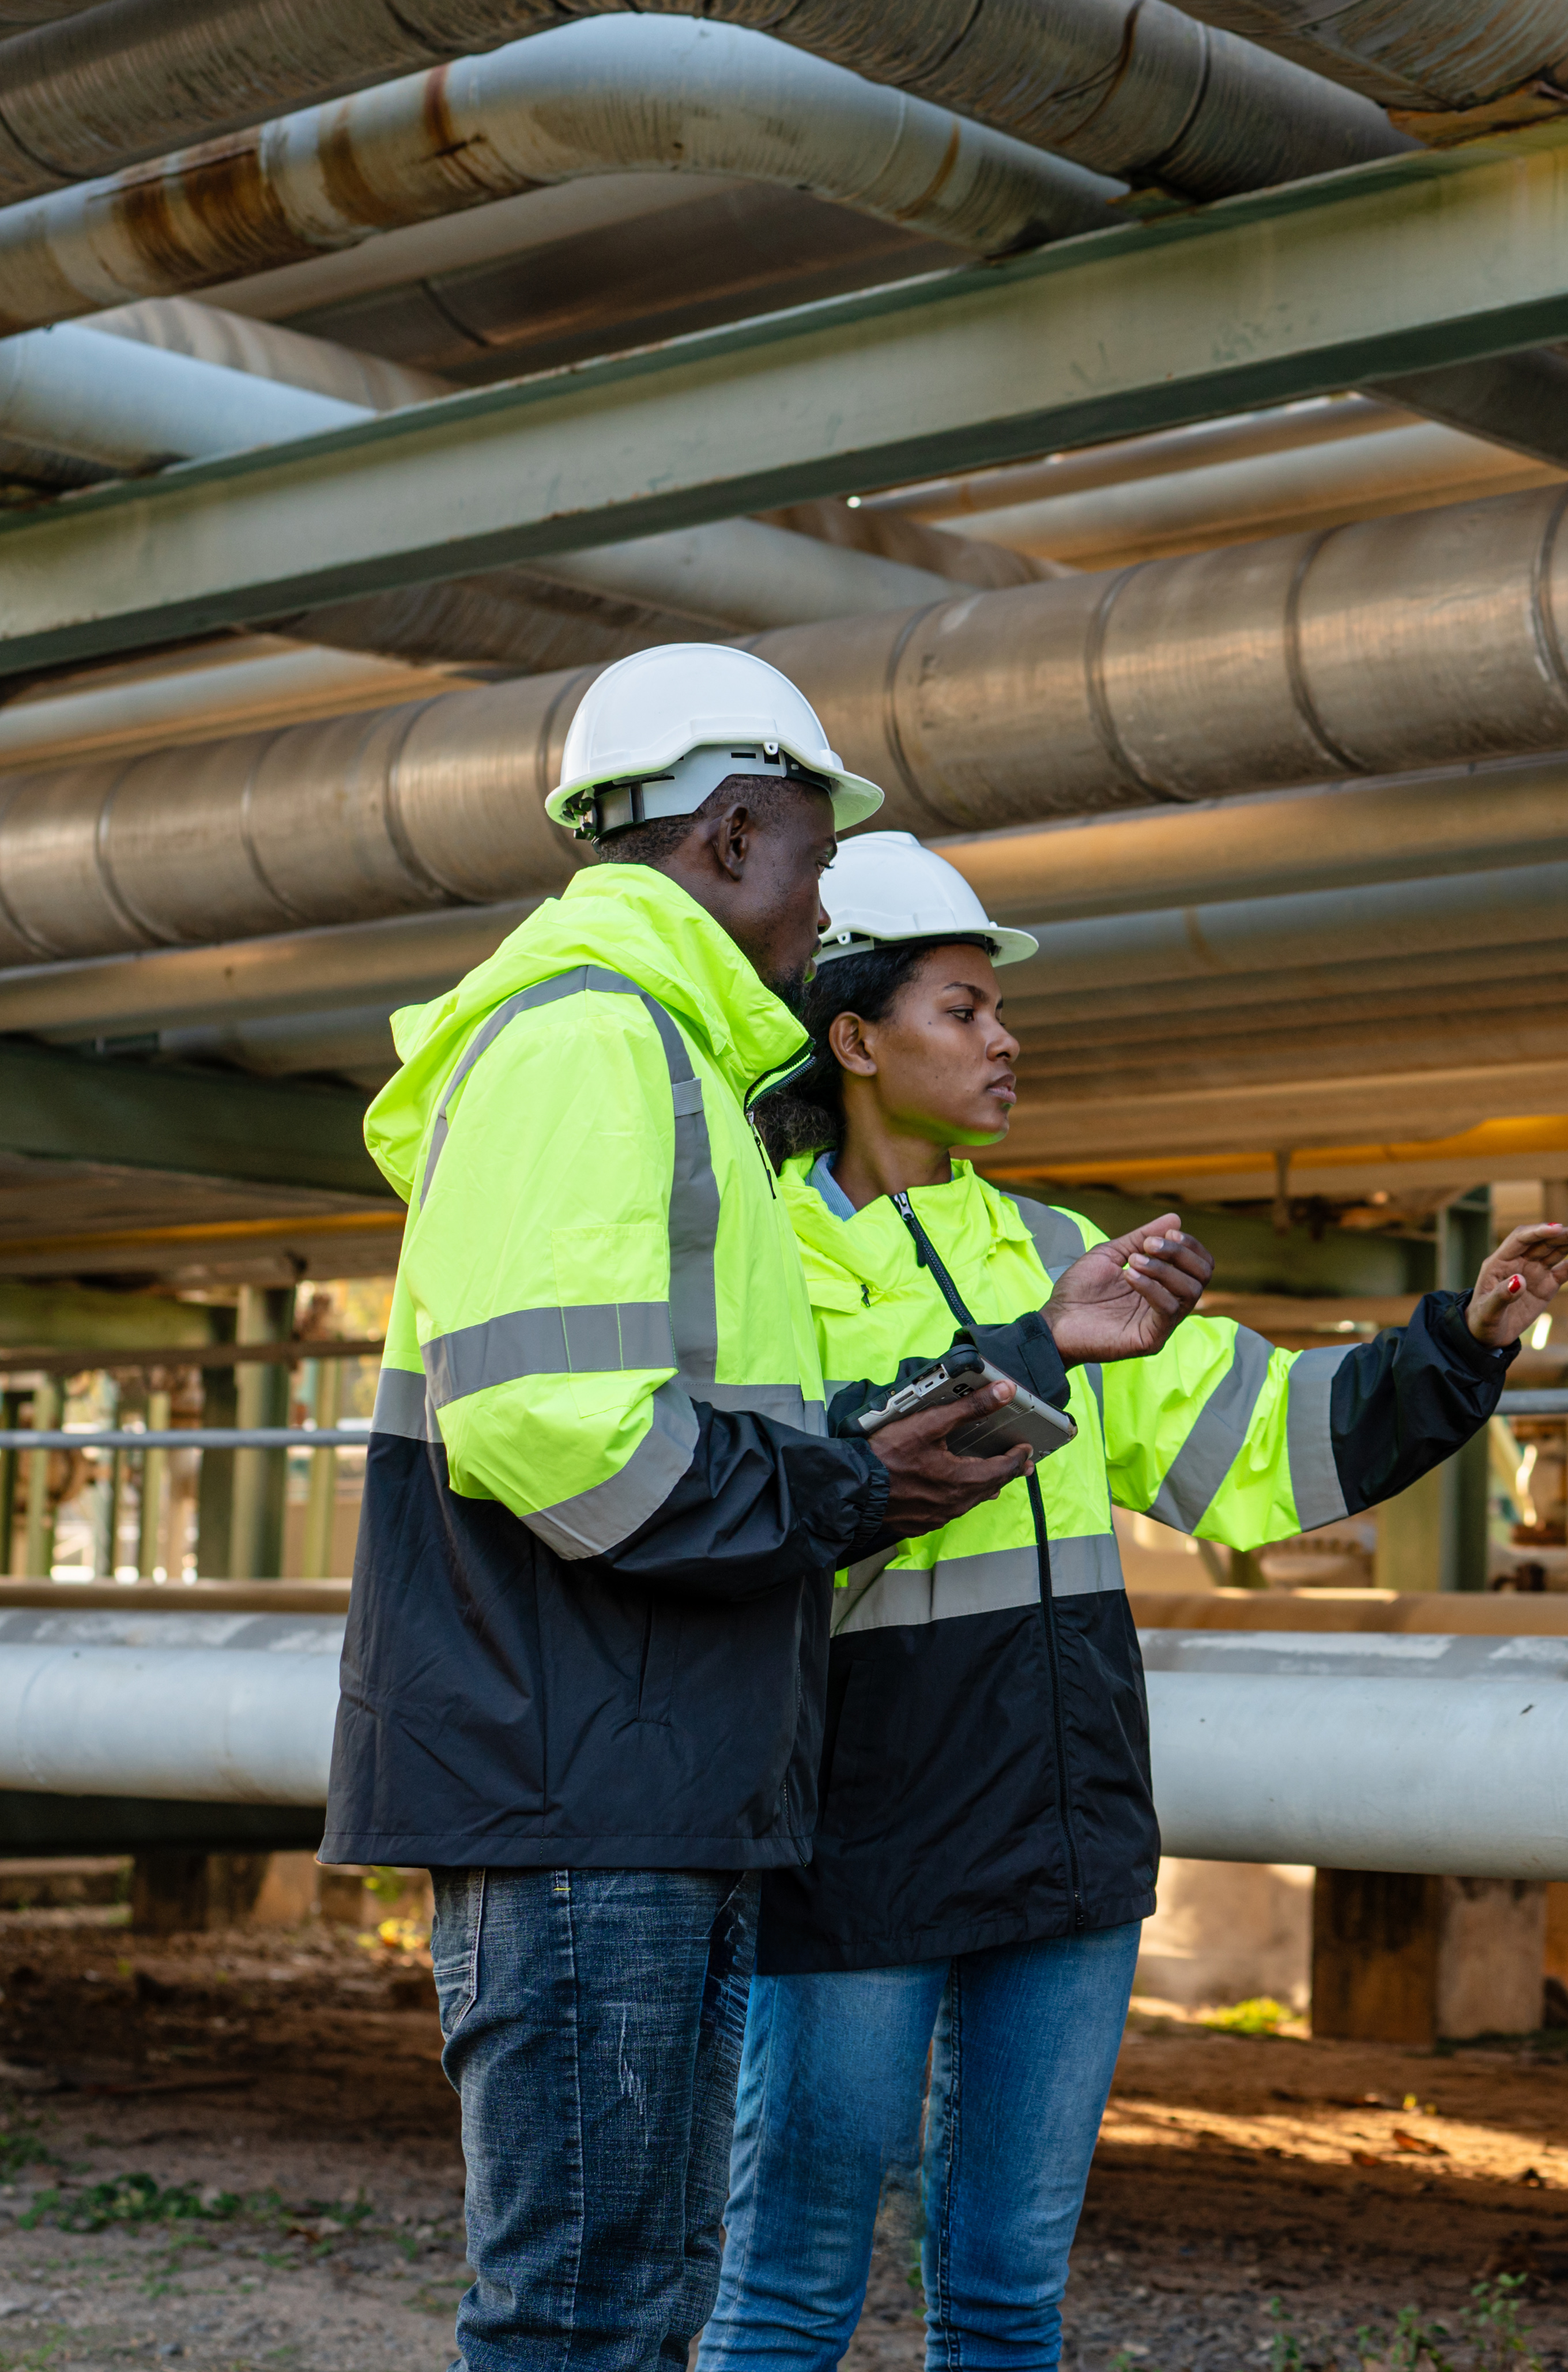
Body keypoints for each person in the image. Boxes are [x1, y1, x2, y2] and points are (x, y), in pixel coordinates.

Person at [325, 647, 1218, 2371]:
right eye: (815, 855)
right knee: (588, 2309)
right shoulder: (594, 1036)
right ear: (732, 831)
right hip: (585, 1768)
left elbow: (659, 1424)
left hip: (632, 1761)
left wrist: (843, 1467)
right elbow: (556, 1428)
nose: (824, 900)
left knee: (629, 2296)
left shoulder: (659, 1058)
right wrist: (835, 1487)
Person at [699, 831, 1568, 2372]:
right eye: (962, 1009)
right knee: (790, 2288)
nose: (1005, 1039)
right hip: (854, 1849)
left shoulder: (1055, 1248)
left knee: (1005, 2297)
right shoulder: (754, 1252)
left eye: (1001, 1010)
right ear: (853, 1036)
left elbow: (1257, 1447)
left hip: (1065, 1844)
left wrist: (1459, 1340)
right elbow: (793, 1484)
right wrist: (1041, 1347)